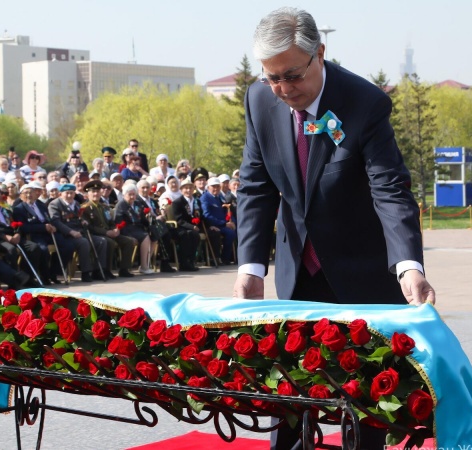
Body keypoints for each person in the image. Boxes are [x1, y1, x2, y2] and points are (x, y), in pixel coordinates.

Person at [233, 8, 435, 449]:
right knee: (290, 405)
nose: (283, 89)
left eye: (292, 76)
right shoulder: (259, 100)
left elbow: (389, 189)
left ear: (319, 53)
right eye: (272, 78)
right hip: (297, 274)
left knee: (364, 410)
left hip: (361, 276)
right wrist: (251, 267)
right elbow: (255, 186)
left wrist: (408, 266)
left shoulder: (364, 103)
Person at [48, 183, 108, 282]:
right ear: (60, 194)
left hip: (80, 232)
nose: (69, 195)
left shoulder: (76, 203)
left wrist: (83, 221)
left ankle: (99, 271)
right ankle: (85, 272)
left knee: (101, 241)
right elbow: (56, 222)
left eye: (71, 193)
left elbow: (78, 217)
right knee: (83, 242)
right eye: (67, 193)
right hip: (66, 235)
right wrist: (71, 232)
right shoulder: (55, 204)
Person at [13, 182, 68, 285]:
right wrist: (43, 227)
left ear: (35, 194)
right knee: (43, 249)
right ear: (21, 196)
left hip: (48, 232)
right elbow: (24, 227)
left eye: (31, 192)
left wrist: (52, 226)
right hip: (34, 234)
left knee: (66, 246)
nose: (29, 195)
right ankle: (44, 276)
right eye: (26, 193)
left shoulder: (41, 205)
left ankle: (54, 273)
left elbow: (48, 219)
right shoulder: (19, 209)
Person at [81, 180, 133, 277]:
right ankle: (105, 270)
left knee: (128, 241)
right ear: (88, 194)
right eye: (93, 192)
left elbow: (110, 222)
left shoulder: (104, 207)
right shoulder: (85, 208)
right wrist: (106, 232)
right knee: (109, 242)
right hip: (96, 234)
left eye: (97, 191)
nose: (96, 194)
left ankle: (124, 269)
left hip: (109, 232)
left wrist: (115, 229)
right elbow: (89, 227)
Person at [114, 184, 154, 274]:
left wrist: (149, 222)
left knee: (154, 235)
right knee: (145, 237)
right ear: (124, 195)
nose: (132, 197)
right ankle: (144, 266)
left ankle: (146, 263)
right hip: (127, 229)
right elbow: (119, 222)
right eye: (130, 194)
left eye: (134, 194)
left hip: (138, 228)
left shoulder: (137, 204)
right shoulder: (121, 205)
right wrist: (128, 234)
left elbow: (142, 218)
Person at [201, 177, 236, 265]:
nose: (216, 188)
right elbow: (207, 215)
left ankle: (231, 257)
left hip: (223, 224)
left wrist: (232, 222)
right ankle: (224, 258)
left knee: (236, 231)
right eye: (213, 186)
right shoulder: (205, 198)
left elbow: (227, 211)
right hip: (213, 224)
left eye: (217, 186)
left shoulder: (219, 197)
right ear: (208, 187)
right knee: (230, 233)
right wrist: (224, 224)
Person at [168, 179, 201, 271]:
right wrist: (192, 226)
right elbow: (179, 220)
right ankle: (184, 262)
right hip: (180, 227)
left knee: (194, 235)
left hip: (193, 227)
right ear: (181, 190)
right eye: (186, 188)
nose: (188, 190)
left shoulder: (196, 201)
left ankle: (191, 261)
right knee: (187, 235)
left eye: (190, 188)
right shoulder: (177, 202)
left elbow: (199, 215)